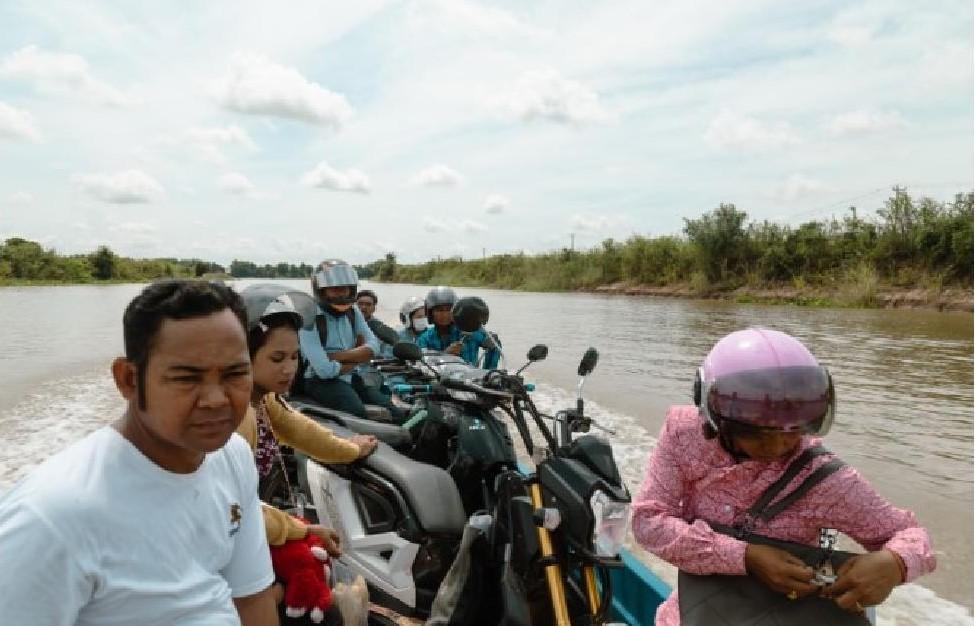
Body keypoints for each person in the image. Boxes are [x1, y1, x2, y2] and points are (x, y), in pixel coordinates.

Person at [0, 279, 279, 626]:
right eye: (187, 379)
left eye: (235, 374)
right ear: (129, 380)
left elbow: (251, 596)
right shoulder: (51, 517)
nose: (217, 400)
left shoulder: (233, 457)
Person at [632, 328, 936, 625]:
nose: (777, 447)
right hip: (692, 612)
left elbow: (912, 536)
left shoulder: (824, 479)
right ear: (716, 418)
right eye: (759, 434)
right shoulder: (684, 435)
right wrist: (746, 557)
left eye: (791, 432)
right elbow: (648, 521)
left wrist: (894, 563)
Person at [237, 283, 378, 549]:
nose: (290, 369)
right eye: (277, 358)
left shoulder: (263, 398)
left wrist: (350, 450)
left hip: (251, 522)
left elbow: (300, 430)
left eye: (294, 356)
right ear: (242, 356)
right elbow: (234, 513)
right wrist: (302, 530)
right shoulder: (237, 416)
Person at [299, 259, 403, 419]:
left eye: (344, 288)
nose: (341, 293)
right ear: (321, 290)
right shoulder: (309, 316)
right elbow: (324, 371)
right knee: (356, 411)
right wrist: (357, 358)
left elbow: (373, 347)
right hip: (318, 382)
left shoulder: (353, 311)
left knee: (395, 412)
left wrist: (336, 357)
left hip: (351, 377)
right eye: (334, 289)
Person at [416, 286, 501, 369]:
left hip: (470, 381)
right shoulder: (424, 339)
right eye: (439, 310)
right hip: (437, 381)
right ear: (431, 313)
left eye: (448, 309)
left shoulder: (469, 331)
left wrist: (488, 374)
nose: (445, 314)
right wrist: (445, 355)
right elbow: (420, 365)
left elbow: (495, 345)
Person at [355, 289, 396, 358]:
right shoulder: (345, 324)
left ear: (374, 308)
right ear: (354, 305)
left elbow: (386, 354)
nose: (363, 307)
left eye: (368, 304)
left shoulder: (380, 328)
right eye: (360, 303)